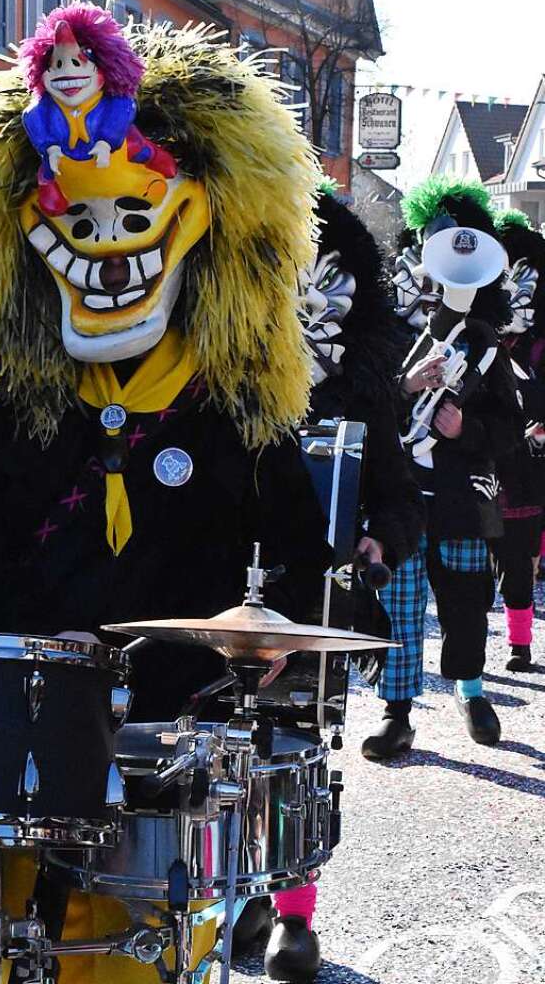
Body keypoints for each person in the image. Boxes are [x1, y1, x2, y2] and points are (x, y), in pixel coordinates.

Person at [0, 10, 332, 984]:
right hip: (20, 751)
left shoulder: (236, 407)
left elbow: (298, 558)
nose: (104, 244)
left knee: (125, 965)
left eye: (132, 215)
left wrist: (269, 641)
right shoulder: (6, 404)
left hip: (167, 748)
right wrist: (41, 655)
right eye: (75, 221)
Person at [259, 183, 425, 982]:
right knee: (208, 747)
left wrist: (376, 541)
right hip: (222, 587)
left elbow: (400, 501)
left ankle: (295, 918)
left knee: (293, 757)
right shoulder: (222, 377)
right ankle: (235, 892)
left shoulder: (364, 393)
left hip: (317, 603)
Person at [363, 179, 522, 759]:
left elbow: (507, 431)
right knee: (401, 606)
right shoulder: (400, 339)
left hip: (461, 497)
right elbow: (374, 410)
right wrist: (408, 385)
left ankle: (472, 690)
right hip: (402, 497)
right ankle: (397, 711)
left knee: (465, 601)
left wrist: (467, 431)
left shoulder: (487, 348)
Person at [489, 209, 545, 672]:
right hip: (484, 464)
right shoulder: (477, 340)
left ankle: (520, 643)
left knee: (518, 558)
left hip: (529, 468)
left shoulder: (539, 348)